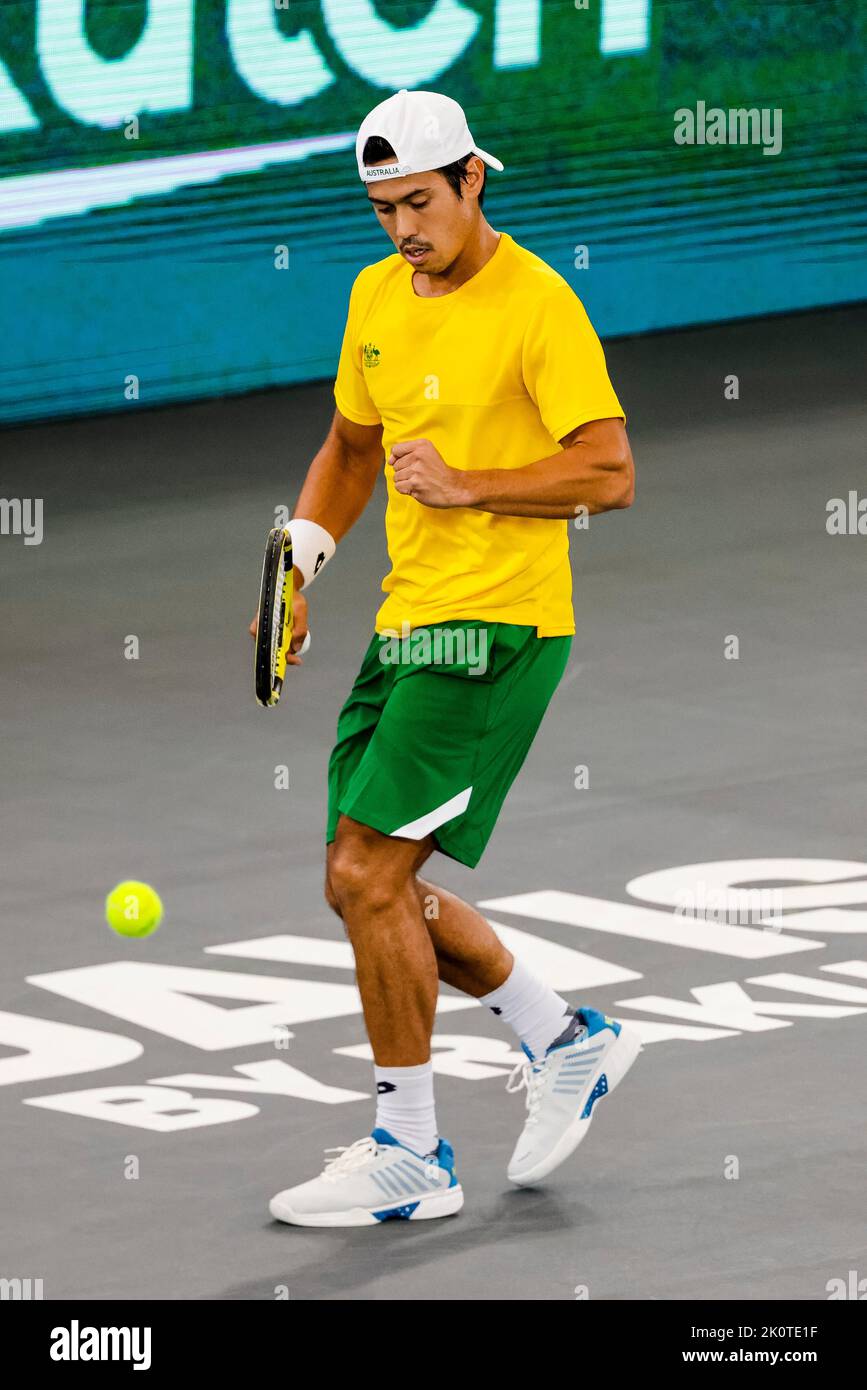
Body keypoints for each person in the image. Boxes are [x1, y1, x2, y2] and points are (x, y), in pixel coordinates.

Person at [263, 89, 640, 1227]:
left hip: (498, 630)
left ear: (474, 180)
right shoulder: (377, 293)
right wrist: (298, 568)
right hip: (406, 620)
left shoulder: (539, 305)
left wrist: (474, 484)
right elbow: (349, 445)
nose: (401, 230)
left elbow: (610, 472)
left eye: (420, 202)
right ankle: (566, 1039)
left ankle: (411, 1153)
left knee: (363, 876)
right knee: (378, 886)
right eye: (382, 208)